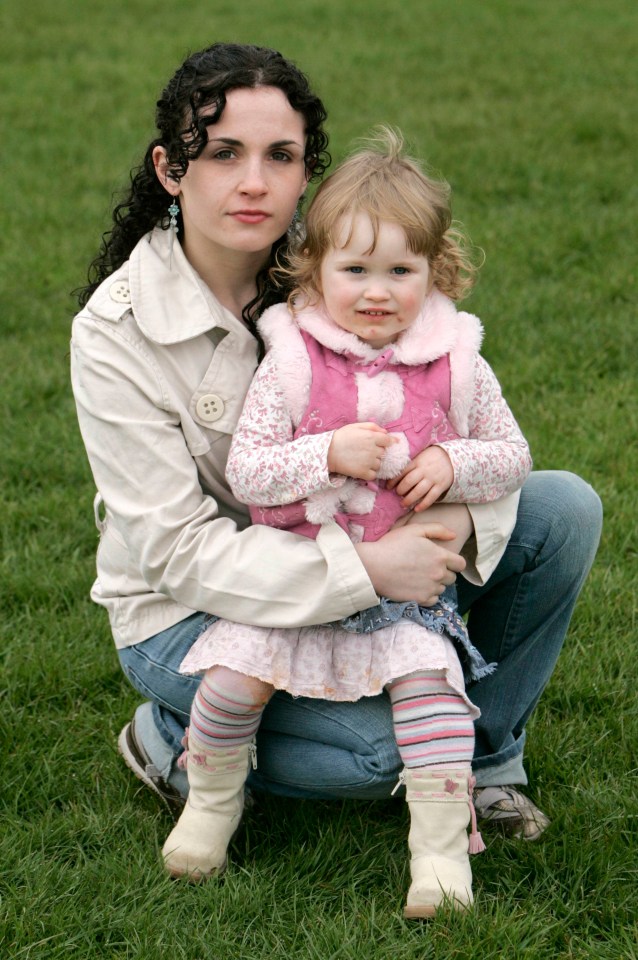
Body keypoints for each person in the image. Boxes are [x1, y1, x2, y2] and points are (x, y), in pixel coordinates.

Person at [70, 40, 601, 885]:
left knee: (565, 508)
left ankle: (489, 765)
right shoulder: (115, 332)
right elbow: (177, 552)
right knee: (372, 761)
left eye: (279, 156)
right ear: (171, 169)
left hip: (366, 558)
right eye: (223, 154)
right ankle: (171, 741)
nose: (254, 182)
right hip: (192, 608)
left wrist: (456, 500)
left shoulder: (346, 272)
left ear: (305, 172)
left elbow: (463, 424)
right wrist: (370, 570)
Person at [162, 127, 533, 916]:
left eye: (400, 271)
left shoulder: (457, 360)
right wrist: (327, 452)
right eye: (354, 269)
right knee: (232, 685)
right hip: (297, 581)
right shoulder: (295, 360)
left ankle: (437, 859)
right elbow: (252, 477)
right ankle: (210, 803)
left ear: (434, 272)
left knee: (432, 699)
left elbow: (513, 454)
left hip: (403, 600)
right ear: (314, 270)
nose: (377, 291)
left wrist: (457, 465)